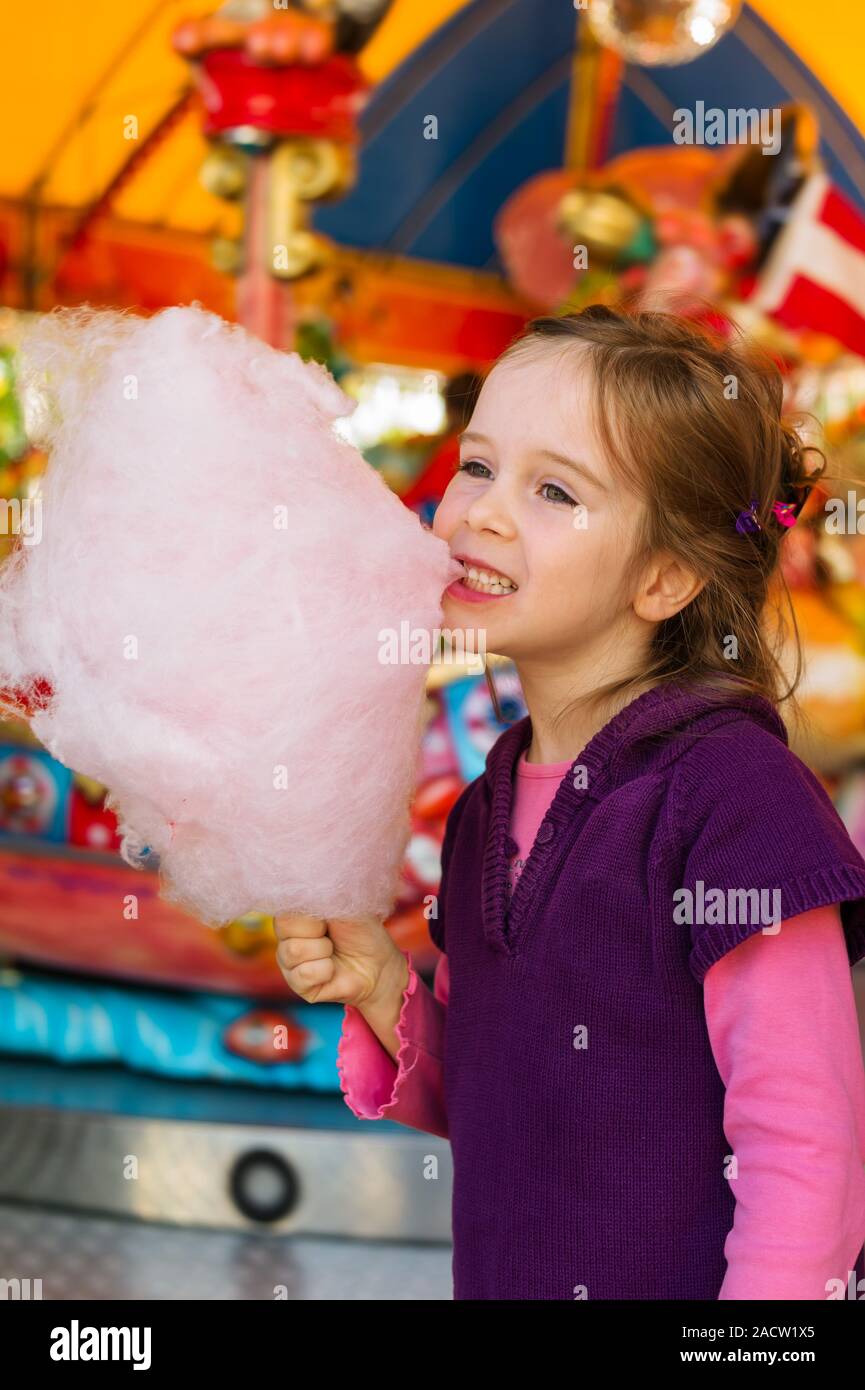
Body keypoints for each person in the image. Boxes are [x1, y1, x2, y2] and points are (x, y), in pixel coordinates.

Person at [275, 306, 865, 1300]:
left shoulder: (736, 801)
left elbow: (808, 1156)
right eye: (477, 465)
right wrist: (382, 989)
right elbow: (512, 1102)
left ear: (665, 577)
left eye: (553, 490)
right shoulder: (483, 807)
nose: (481, 512)